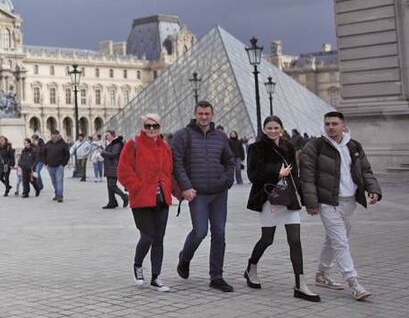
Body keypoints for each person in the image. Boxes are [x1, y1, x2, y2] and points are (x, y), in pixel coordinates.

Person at [299, 111, 382, 301]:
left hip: (350, 201)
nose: (330, 127)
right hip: (328, 201)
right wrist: (312, 203)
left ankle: (321, 273)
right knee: (341, 242)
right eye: (327, 124)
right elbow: (307, 176)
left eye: (334, 124)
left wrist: (373, 189)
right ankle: (354, 282)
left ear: (343, 126)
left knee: (334, 239)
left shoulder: (354, 146)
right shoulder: (315, 146)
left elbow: (366, 170)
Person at [243, 116, 319, 302]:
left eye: (276, 127)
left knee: (295, 240)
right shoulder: (256, 148)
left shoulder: (289, 147)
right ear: (264, 129)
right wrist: (276, 172)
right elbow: (253, 175)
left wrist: (307, 200)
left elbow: (295, 176)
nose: (272, 131)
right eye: (269, 128)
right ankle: (251, 266)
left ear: (282, 129)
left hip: (288, 198)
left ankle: (300, 283)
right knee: (267, 239)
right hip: (268, 198)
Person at [174, 101, 237, 292]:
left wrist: (227, 180)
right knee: (200, 232)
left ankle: (216, 276)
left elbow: (229, 160)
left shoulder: (220, 136)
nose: (204, 117)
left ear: (212, 114)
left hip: (219, 192)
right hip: (198, 193)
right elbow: (177, 163)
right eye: (200, 113)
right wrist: (186, 187)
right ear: (194, 113)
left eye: (207, 113)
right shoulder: (183, 135)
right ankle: (185, 257)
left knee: (219, 233)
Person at [118, 113, 173, 292]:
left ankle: (156, 277)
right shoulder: (132, 145)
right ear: (143, 127)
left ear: (160, 127)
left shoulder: (165, 146)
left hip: (161, 199)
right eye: (147, 126)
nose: (151, 129)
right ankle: (137, 264)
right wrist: (137, 187)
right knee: (148, 236)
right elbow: (123, 171)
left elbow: (168, 171)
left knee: (159, 239)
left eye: (154, 126)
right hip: (142, 199)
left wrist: (175, 191)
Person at [101, 131, 128, 209]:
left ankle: (124, 197)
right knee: (109, 186)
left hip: (114, 167)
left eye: (108, 135)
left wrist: (103, 153)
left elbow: (114, 154)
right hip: (110, 166)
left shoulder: (116, 143)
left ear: (113, 135)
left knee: (112, 185)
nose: (106, 137)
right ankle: (112, 202)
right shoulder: (111, 143)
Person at [43, 130, 70, 202]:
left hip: (59, 166)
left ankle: (60, 195)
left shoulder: (63, 144)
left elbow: (67, 155)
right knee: (54, 181)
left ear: (58, 136)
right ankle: (56, 193)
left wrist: (63, 164)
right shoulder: (48, 144)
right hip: (50, 166)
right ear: (51, 136)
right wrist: (46, 163)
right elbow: (43, 153)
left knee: (59, 180)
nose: (55, 137)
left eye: (56, 135)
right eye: (53, 136)